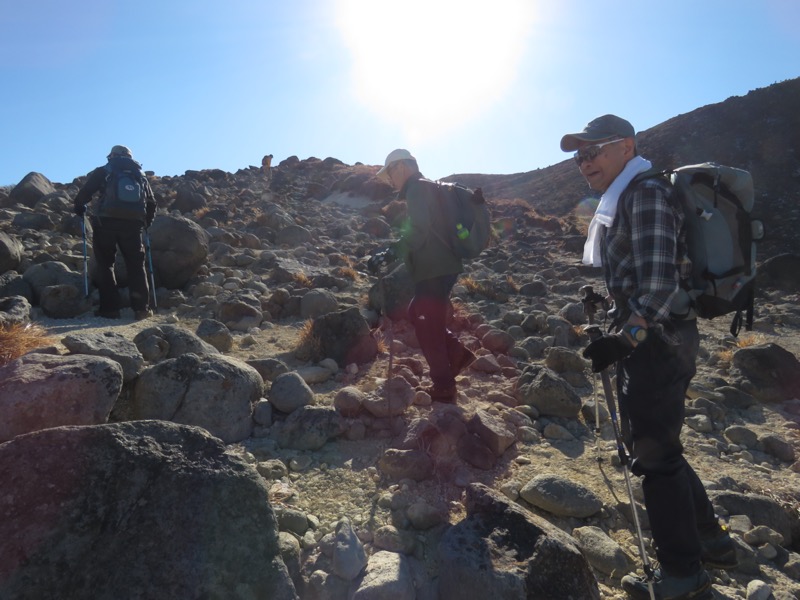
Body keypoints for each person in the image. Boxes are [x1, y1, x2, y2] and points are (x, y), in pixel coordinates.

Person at [561, 115, 737, 600]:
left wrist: (625, 339)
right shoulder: (627, 196)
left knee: (654, 458)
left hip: (659, 344)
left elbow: (659, 288)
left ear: (626, 147)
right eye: (579, 156)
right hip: (658, 340)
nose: (585, 163)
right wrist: (616, 309)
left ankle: (682, 573)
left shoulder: (645, 194)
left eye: (593, 151)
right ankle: (713, 541)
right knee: (661, 444)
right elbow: (643, 276)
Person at [376, 149, 475, 403]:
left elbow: (419, 229)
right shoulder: (428, 187)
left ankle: (444, 386)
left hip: (434, 268)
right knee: (418, 314)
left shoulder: (417, 189)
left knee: (427, 325)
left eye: (389, 174)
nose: (390, 181)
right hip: (443, 265)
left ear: (400, 167)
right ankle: (456, 353)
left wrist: (391, 252)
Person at [73, 145, 157, 320]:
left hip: (106, 222)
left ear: (112, 156)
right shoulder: (139, 175)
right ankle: (141, 309)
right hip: (133, 225)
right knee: (136, 266)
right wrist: (146, 223)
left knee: (105, 264)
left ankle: (110, 310)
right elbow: (151, 203)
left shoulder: (105, 170)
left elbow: (86, 193)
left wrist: (80, 208)